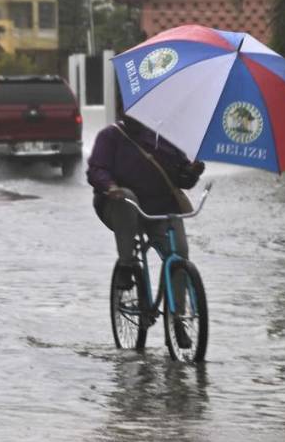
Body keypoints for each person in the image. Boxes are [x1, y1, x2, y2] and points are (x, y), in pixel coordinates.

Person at [87, 116, 205, 346]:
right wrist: (110, 187)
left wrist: (192, 171)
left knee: (179, 255)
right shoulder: (110, 137)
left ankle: (178, 318)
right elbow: (96, 170)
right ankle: (126, 264)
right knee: (126, 199)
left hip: (160, 210)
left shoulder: (166, 140)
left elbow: (182, 179)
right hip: (120, 206)